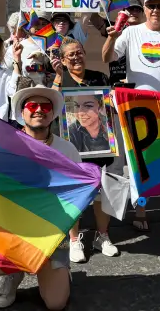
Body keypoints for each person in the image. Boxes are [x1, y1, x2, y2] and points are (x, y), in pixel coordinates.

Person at [101, 0, 160, 232]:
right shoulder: (131, 32)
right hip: (137, 108)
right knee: (139, 161)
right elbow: (107, 57)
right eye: (151, 6)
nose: (155, 10)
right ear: (144, 9)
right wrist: (111, 37)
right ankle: (141, 209)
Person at [0, 85, 76, 309]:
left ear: (53, 113)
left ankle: (57, 272)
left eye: (45, 106)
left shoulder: (67, 150)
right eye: (32, 105)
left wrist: (72, 237)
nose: (39, 110)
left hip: (52, 234)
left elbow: (76, 196)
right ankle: (13, 273)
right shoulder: (6, 148)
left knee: (56, 304)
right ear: (22, 112)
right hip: (16, 231)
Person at [50, 37, 120, 262]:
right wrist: (59, 78)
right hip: (72, 144)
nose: (76, 57)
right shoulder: (60, 79)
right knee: (74, 194)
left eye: (79, 52)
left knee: (103, 192)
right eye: (70, 54)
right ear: (62, 59)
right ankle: (73, 239)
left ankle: (103, 236)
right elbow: (51, 106)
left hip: (100, 143)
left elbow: (109, 109)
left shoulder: (99, 77)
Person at [106, 0, 144, 85]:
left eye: (137, 10)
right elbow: (95, 19)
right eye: (130, 9)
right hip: (116, 83)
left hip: (137, 83)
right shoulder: (113, 29)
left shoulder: (148, 33)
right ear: (124, 11)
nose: (134, 12)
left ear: (143, 13)